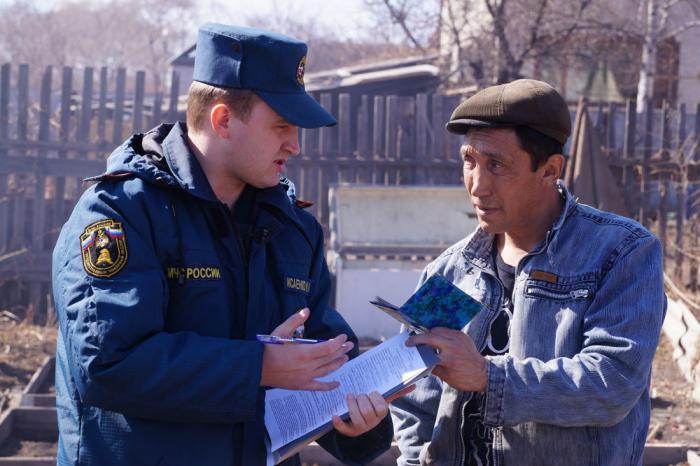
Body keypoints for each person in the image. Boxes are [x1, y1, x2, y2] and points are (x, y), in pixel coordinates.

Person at [52, 24, 394, 466]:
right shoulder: (120, 213)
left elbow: (326, 361)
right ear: (223, 120)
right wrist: (258, 367)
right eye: (281, 126)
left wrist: (361, 426)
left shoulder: (293, 230)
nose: (295, 144)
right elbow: (107, 363)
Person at [390, 79, 666, 466]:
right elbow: (415, 401)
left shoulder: (620, 253)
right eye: (469, 160)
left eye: (497, 165)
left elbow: (612, 383)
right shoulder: (452, 272)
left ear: (550, 169)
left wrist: (489, 376)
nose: (477, 185)